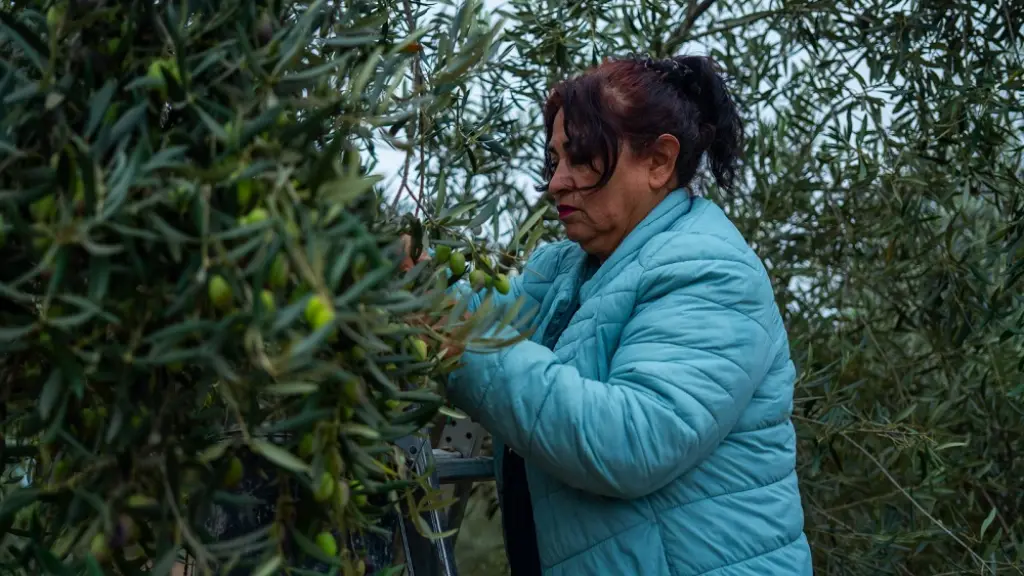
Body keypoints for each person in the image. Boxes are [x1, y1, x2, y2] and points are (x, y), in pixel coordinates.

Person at [409, 54, 813, 575]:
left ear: (659, 162)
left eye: (582, 159)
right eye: (554, 160)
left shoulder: (709, 271)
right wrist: (407, 278)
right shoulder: (566, 271)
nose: (556, 182)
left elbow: (629, 441)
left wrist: (450, 332)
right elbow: (486, 318)